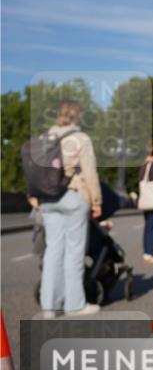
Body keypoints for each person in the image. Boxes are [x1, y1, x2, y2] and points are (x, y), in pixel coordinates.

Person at [38, 100, 103, 317]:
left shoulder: (45, 138)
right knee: (74, 253)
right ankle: (74, 305)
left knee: (53, 252)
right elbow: (90, 172)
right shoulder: (81, 138)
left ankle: (49, 306)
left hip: (48, 199)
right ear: (78, 116)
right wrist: (96, 201)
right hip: (73, 195)